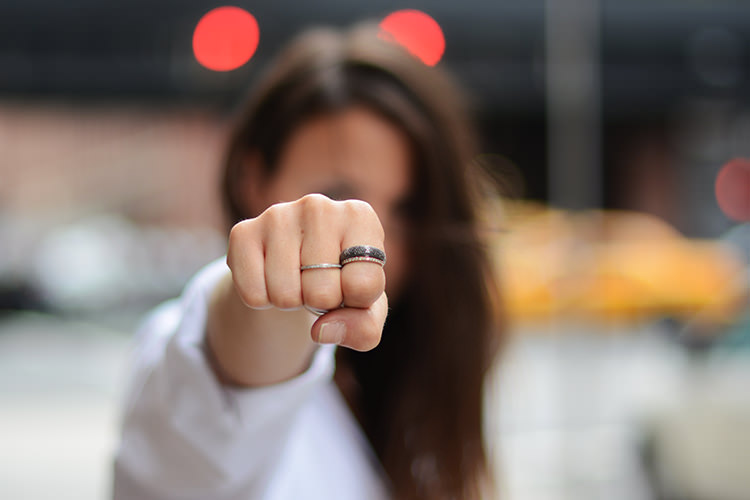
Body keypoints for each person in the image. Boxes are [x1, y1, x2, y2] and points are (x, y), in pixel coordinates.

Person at [114, 22, 503, 500]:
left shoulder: (411, 387)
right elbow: (221, 394)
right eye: (338, 196)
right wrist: (280, 302)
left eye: (406, 211)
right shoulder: (186, 358)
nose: (375, 243)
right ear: (251, 179)